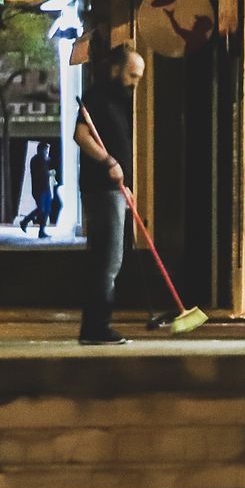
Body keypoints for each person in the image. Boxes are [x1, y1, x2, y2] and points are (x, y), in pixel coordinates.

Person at [72, 46, 144, 345]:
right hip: (101, 188)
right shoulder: (97, 97)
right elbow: (81, 136)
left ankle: (96, 324)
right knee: (108, 259)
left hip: (114, 188)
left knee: (109, 258)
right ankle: (97, 326)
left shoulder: (118, 101)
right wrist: (108, 162)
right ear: (116, 70)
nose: (135, 83)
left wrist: (125, 183)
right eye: (132, 75)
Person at [19, 142, 54, 238]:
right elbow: (40, 174)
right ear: (41, 150)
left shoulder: (44, 160)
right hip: (39, 189)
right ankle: (25, 221)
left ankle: (41, 231)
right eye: (46, 150)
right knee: (41, 209)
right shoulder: (36, 160)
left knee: (46, 210)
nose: (47, 152)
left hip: (46, 188)